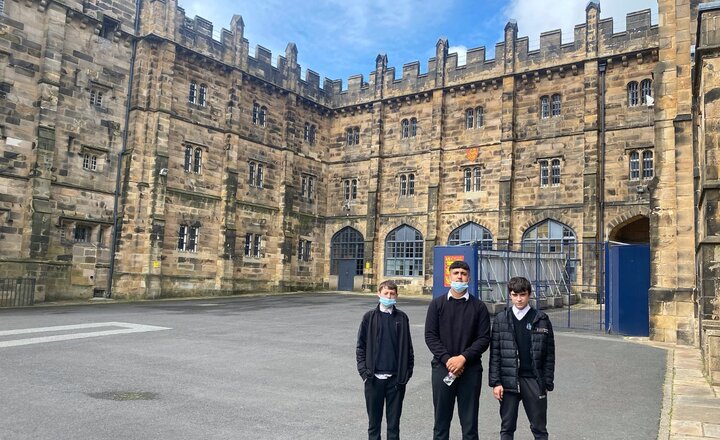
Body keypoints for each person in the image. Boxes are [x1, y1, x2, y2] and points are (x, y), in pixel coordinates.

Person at [425, 260, 491, 440]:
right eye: (456, 273)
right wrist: (448, 360)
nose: (460, 276)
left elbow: (484, 338)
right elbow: (430, 336)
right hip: (442, 369)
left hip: (470, 371)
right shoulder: (437, 305)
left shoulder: (479, 307)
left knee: (469, 425)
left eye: (463, 273)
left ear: (468, 277)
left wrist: (463, 358)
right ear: (449, 276)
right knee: (441, 423)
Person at [488, 276, 556, 440]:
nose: (519, 299)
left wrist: (546, 382)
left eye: (523, 294)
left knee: (539, 428)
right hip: (508, 381)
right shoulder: (501, 319)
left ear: (529, 295)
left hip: (533, 380)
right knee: (507, 428)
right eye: (515, 294)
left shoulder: (541, 319)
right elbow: (495, 353)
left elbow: (550, 354)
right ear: (510, 295)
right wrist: (496, 382)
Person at [356, 280, 414, 440]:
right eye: (386, 293)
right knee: (374, 425)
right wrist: (364, 372)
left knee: (393, 426)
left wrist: (406, 374)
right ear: (379, 294)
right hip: (373, 379)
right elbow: (361, 346)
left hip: (395, 381)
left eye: (392, 294)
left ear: (396, 296)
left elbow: (408, 348)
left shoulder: (402, 318)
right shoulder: (369, 317)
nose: (389, 296)